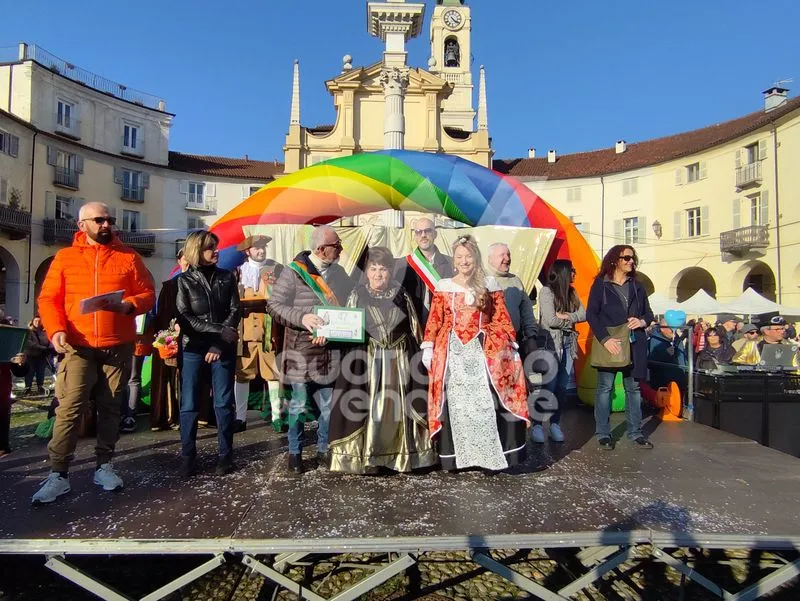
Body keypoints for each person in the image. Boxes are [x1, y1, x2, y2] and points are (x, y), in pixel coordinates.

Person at [33, 202, 155, 504]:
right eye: (99, 220)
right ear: (82, 224)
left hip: (117, 344)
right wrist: (56, 330)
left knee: (112, 406)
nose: (106, 225)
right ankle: (58, 473)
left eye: (109, 220)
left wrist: (129, 305)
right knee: (70, 407)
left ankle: (104, 465)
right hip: (77, 345)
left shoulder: (129, 256)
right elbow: (49, 299)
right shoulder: (65, 258)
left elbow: (148, 293)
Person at [422, 235, 529, 471]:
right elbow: (435, 319)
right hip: (453, 353)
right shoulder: (444, 286)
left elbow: (501, 317)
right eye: (459, 257)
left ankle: (487, 456)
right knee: (458, 405)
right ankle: (460, 457)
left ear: (476, 258)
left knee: (485, 403)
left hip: (483, 351)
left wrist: (508, 343)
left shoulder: (489, 284)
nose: (464, 261)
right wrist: (428, 345)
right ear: (454, 260)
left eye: (468, 256)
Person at [328, 246, 436, 474]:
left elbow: (416, 330)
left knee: (398, 409)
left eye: (383, 269)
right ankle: (371, 459)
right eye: (374, 269)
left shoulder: (402, 294)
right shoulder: (357, 295)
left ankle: (403, 456)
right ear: (366, 272)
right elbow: (346, 329)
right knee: (370, 407)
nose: (378, 274)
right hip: (369, 361)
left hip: (400, 362)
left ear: (390, 272)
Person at [267, 225, 353, 474]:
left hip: (330, 350)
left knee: (328, 406)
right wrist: (302, 318)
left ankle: (324, 450)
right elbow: (274, 305)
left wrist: (336, 330)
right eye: (336, 246)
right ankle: (295, 453)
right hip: (301, 351)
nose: (340, 250)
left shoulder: (339, 273)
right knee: (299, 405)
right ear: (320, 249)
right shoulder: (293, 272)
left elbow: (348, 307)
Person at [175, 231, 241, 477]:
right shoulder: (184, 281)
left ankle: (225, 456)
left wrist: (220, 343)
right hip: (193, 347)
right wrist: (219, 330)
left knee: (224, 403)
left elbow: (235, 311)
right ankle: (188, 456)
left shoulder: (226, 277)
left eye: (216, 246)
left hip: (221, 348)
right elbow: (186, 318)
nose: (216, 251)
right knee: (189, 403)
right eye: (210, 248)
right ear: (196, 250)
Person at [586, 244, 654, 451]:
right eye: (626, 258)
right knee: (604, 389)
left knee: (633, 389)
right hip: (611, 342)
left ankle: (636, 433)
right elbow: (591, 315)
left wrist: (642, 322)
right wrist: (605, 339)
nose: (631, 261)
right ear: (615, 260)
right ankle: (604, 434)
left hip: (634, 343)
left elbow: (649, 314)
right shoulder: (600, 285)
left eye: (632, 258)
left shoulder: (638, 286)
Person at [233, 235, 284, 433]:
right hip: (244, 332)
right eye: (257, 248)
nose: (261, 251)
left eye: (263, 247)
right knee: (242, 374)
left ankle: (277, 416)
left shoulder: (276, 269)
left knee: (272, 374)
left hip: (268, 331)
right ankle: (240, 417)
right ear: (248, 251)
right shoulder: (238, 272)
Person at [535, 259, 586, 443]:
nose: (574, 274)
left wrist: (565, 316)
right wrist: (570, 320)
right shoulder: (546, 292)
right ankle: (537, 424)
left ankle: (555, 423)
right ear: (564, 272)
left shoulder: (572, 293)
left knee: (562, 387)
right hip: (551, 344)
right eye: (572, 270)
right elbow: (550, 321)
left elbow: (584, 314)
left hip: (568, 343)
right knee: (549, 385)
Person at [149, 250, 190, 432]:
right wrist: (169, 333)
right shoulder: (170, 286)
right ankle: (172, 416)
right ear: (179, 261)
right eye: (184, 259)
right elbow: (163, 315)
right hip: (174, 338)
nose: (188, 263)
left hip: (195, 339)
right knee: (172, 379)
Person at [395, 217, 454, 326]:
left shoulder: (451, 263)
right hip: (412, 329)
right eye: (418, 232)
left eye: (427, 231)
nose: (423, 235)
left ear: (435, 234)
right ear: (415, 236)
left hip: (442, 327)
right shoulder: (401, 264)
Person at [733, 315, 799, 367]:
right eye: (778, 329)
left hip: (783, 381)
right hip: (759, 381)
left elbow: (796, 365)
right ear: (766, 331)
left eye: (783, 329)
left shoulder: (789, 346)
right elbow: (737, 362)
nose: (782, 331)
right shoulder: (752, 345)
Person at [647, 319, 688, 392]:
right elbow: (655, 361)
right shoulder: (655, 340)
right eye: (670, 328)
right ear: (662, 329)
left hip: (680, 380)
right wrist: (673, 347)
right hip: (663, 384)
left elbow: (683, 357)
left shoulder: (677, 340)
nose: (673, 330)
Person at [23, 316, 51, 396]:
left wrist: (49, 348)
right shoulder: (29, 331)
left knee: (40, 371)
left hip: (42, 355)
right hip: (31, 355)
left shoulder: (44, 331)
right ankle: (28, 388)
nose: (37, 323)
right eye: (36, 321)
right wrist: (42, 347)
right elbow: (28, 343)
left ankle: (40, 386)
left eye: (39, 321)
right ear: (32, 321)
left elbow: (47, 341)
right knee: (30, 372)